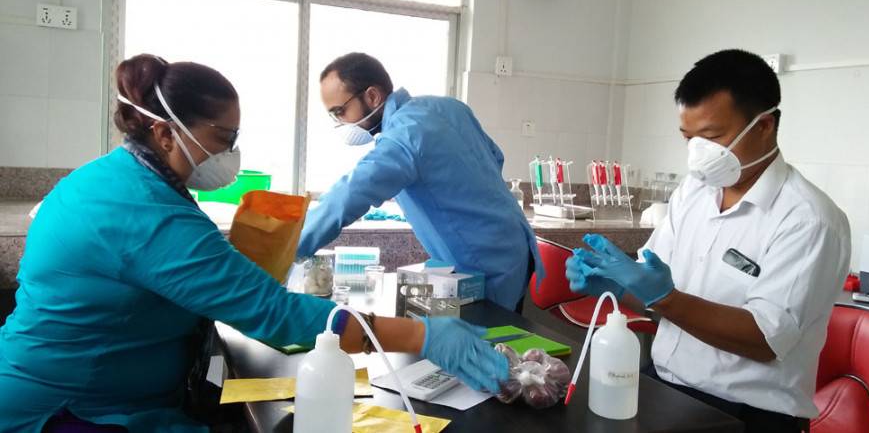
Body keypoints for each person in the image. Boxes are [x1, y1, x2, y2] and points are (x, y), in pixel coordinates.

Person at [0, 54, 508, 433]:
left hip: (107, 392)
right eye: (223, 137)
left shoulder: (122, 179)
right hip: (69, 409)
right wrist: (425, 337)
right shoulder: (141, 211)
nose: (231, 153)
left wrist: (269, 253)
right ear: (165, 133)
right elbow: (277, 316)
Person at [567, 49, 849, 433]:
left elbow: (764, 339)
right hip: (663, 388)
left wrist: (663, 297)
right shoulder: (694, 192)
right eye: (689, 138)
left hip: (745, 415)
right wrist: (619, 286)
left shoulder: (809, 220)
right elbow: (656, 289)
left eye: (712, 137)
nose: (699, 154)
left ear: (764, 126)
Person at [298, 52, 541, 311]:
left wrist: (285, 250)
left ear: (372, 96)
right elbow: (495, 157)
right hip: (515, 246)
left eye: (340, 111)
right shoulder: (448, 107)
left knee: (487, 343)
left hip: (483, 263)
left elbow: (350, 194)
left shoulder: (405, 134)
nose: (339, 123)